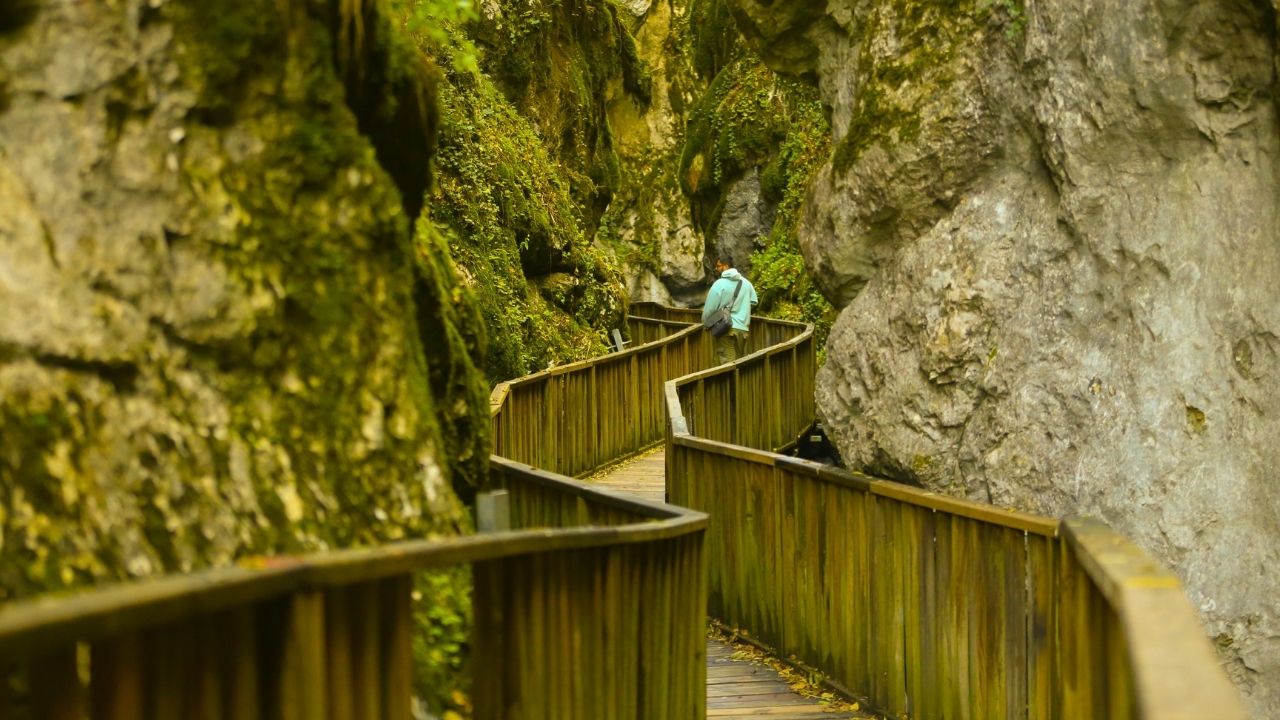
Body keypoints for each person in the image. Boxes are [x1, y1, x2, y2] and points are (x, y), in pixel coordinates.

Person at [701, 254, 758, 364]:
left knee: (727, 363)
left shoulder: (719, 284)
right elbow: (754, 301)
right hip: (743, 329)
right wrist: (742, 309)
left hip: (726, 328)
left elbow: (709, 309)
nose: (716, 269)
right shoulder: (746, 283)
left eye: (718, 266)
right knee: (739, 362)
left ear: (726, 266)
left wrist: (705, 322)